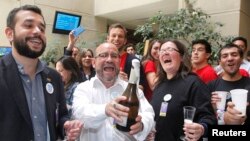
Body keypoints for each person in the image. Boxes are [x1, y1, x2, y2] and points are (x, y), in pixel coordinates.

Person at [0, 5, 83, 140]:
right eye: (28, 25)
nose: (38, 31)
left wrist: (66, 125)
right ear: (10, 34)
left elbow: (61, 115)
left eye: (42, 28)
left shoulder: (54, 76)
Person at [72, 42, 155, 141]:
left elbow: (149, 114)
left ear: (119, 62)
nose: (109, 59)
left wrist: (142, 125)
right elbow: (79, 114)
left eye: (114, 56)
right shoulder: (83, 88)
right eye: (103, 55)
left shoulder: (134, 91)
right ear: (93, 63)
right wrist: (105, 109)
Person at [151, 39, 216, 141]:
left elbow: (208, 117)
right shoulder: (159, 85)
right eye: (162, 51)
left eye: (170, 49)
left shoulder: (194, 83)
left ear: (181, 57)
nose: (165, 52)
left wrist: (202, 128)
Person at [208, 43, 250, 125]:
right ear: (220, 62)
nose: (230, 58)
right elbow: (205, 119)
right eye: (225, 56)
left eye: (234, 55)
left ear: (241, 59)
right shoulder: (210, 87)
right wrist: (216, 112)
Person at [107, 23, 144, 90]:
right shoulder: (102, 59)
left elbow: (141, 88)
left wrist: (127, 83)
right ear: (108, 39)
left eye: (120, 36)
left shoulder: (134, 61)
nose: (116, 39)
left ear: (125, 41)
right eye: (113, 35)